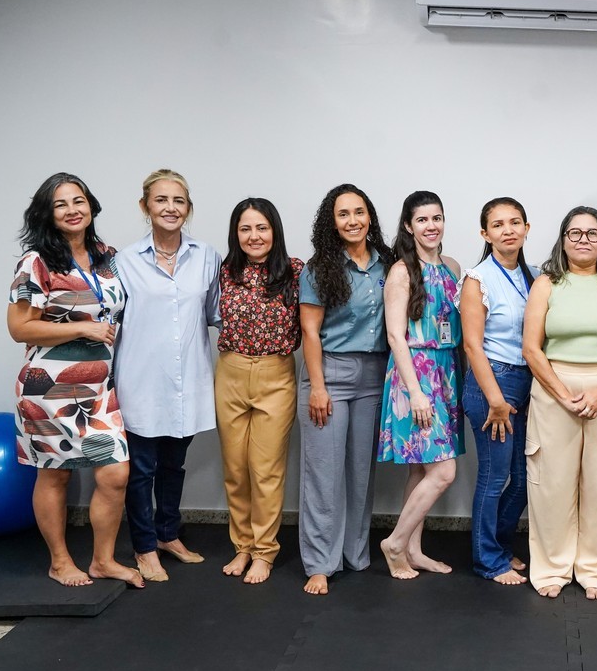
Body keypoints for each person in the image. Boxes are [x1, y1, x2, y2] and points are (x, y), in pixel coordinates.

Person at [7, 172, 143, 588]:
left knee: (115, 473)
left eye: (78, 200)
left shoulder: (107, 256)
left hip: (100, 386)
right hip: (49, 387)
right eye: (61, 204)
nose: (72, 210)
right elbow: (19, 327)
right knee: (55, 473)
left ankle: (103, 560)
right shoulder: (37, 261)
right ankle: (60, 561)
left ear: (91, 207)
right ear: (48, 214)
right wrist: (81, 329)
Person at [523, 207, 597, 600]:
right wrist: (563, 393)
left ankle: (596, 570)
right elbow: (531, 348)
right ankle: (552, 567)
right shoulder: (546, 283)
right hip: (554, 390)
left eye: (592, 233)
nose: (584, 240)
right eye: (575, 233)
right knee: (552, 482)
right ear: (563, 239)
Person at [114, 169, 221, 583]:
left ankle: (167, 535)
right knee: (141, 469)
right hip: (141, 380)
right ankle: (143, 548)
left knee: (174, 465)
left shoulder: (207, 256)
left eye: (178, 201)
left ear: (188, 208)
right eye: (161, 200)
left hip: (188, 381)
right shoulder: (124, 262)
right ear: (145, 207)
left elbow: (214, 314)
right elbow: (112, 321)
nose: (170, 208)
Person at [297, 184, 392, 595]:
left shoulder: (387, 264)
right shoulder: (320, 268)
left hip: (375, 375)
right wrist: (317, 387)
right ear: (331, 223)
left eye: (359, 212)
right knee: (324, 474)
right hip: (329, 374)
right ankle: (320, 563)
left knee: (359, 471)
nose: (352, 221)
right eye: (343, 214)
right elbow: (310, 331)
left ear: (369, 216)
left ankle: (354, 553)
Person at [377, 191, 466, 580]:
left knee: (420, 470)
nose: (431, 226)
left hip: (447, 370)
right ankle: (394, 543)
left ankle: (413, 550)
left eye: (437, 218)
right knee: (443, 471)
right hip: (416, 374)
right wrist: (415, 392)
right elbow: (396, 336)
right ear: (409, 226)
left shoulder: (451, 266)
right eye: (423, 220)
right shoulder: (401, 271)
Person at [214, 198, 303, 585]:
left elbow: (314, 327)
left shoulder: (295, 272)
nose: (254, 236)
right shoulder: (224, 272)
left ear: (275, 231)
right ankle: (242, 547)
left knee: (265, 470)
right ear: (236, 233)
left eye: (262, 228)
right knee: (235, 469)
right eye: (246, 228)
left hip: (276, 374)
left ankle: (265, 552)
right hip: (230, 372)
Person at [460, 198, 537, 585]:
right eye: (498, 224)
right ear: (484, 233)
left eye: (515, 222)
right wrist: (495, 400)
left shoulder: (534, 276)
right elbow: (472, 345)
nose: (508, 230)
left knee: (524, 479)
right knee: (494, 477)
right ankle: (488, 561)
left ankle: (501, 546)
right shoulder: (478, 278)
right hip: (493, 383)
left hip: (527, 382)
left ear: (526, 228)